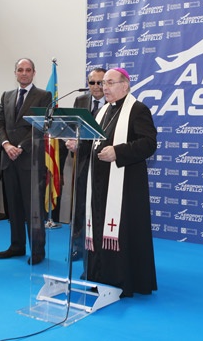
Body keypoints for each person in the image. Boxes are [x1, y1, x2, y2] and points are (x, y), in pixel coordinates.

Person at [66, 68, 157, 297]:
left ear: (125, 85)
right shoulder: (102, 111)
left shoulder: (138, 110)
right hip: (99, 184)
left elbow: (149, 143)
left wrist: (118, 152)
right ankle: (99, 275)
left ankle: (121, 280)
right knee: (98, 227)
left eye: (109, 83)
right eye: (102, 83)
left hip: (126, 186)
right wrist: (79, 145)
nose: (103, 87)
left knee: (122, 232)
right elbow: (94, 143)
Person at [0, 58, 52, 265]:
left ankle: (37, 250)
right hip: (8, 159)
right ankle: (17, 246)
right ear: (15, 73)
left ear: (34, 73)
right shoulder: (6, 95)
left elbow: (42, 125)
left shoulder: (44, 96)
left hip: (30, 160)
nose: (24, 73)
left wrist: (20, 147)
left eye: (28, 70)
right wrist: (6, 145)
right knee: (14, 207)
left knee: (33, 209)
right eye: (20, 70)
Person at [69, 67, 106, 260]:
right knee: (80, 206)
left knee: (99, 206)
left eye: (101, 82)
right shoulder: (80, 100)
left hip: (104, 161)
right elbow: (75, 128)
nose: (96, 86)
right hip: (83, 160)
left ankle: (100, 248)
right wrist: (71, 141)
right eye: (92, 82)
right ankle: (78, 246)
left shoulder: (113, 101)